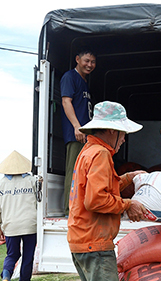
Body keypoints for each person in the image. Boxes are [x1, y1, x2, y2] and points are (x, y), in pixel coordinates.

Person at [68, 101, 147, 281]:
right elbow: (97, 200)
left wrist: (127, 178)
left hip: (81, 239)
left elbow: (102, 188)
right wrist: (129, 204)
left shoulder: (88, 152)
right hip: (95, 242)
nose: (125, 138)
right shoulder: (100, 154)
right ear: (111, 131)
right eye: (123, 133)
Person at [0, 150, 38, 281]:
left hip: (10, 225)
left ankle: (6, 275)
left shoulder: (0, 184)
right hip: (30, 224)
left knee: (12, 254)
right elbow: (39, 200)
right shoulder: (32, 181)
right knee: (28, 256)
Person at [61, 49, 96, 215]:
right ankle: (70, 209)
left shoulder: (84, 81)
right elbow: (66, 102)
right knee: (74, 171)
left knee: (84, 172)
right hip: (76, 133)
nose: (89, 65)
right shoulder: (70, 77)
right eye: (86, 60)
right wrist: (77, 126)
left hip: (86, 135)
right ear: (77, 59)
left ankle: (80, 206)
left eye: (92, 62)